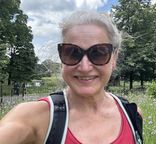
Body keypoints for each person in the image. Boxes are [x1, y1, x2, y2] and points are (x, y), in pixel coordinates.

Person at [0, 11, 142, 144]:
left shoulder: (131, 114)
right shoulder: (35, 117)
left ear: (114, 58)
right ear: (61, 57)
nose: (85, 67)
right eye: (72, 53)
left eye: (98, 53)